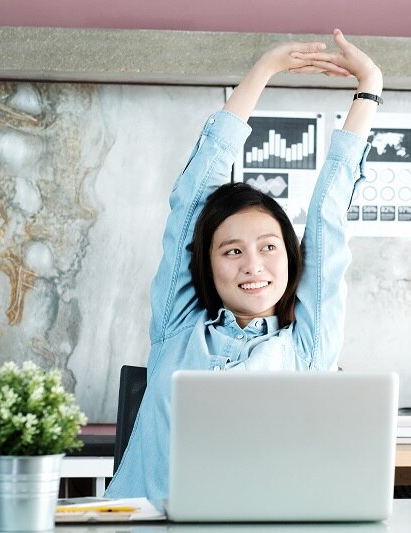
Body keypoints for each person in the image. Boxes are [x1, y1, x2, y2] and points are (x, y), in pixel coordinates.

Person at [106, 29, 383, 499]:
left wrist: (369, 88)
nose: (253, 264)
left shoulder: (308, 345)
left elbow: (328, 220)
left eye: (269, 247)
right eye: (232, 251)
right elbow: (193, 197)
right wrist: (264, 70)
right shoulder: (178, 328)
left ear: (291, 260)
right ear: (208, 265)